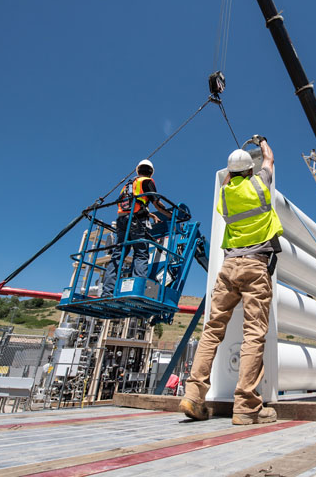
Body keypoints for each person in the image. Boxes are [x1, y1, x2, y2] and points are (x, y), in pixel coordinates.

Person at [180, 135, 283, 425]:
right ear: (251, 169)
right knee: (253, 334)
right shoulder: (261, 184)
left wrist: (236, 163)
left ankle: (193, 396)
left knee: (212, 330)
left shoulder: (224, 195)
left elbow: (228, 178)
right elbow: (270, 159)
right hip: (255, 266)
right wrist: (262, 141)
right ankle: (247, 407)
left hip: (229, 267)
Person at [102, 159, 171, 297]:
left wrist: (149, 214)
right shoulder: (147, 181)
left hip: (122, 221)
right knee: (141, 253)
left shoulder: (128, 185)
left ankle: (107, 292)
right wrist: (170, 215)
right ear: (151, 172)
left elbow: (130, 203)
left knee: (118, 255)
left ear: (137, 170)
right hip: (136, 221)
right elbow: (156, 202)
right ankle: (136, 290)